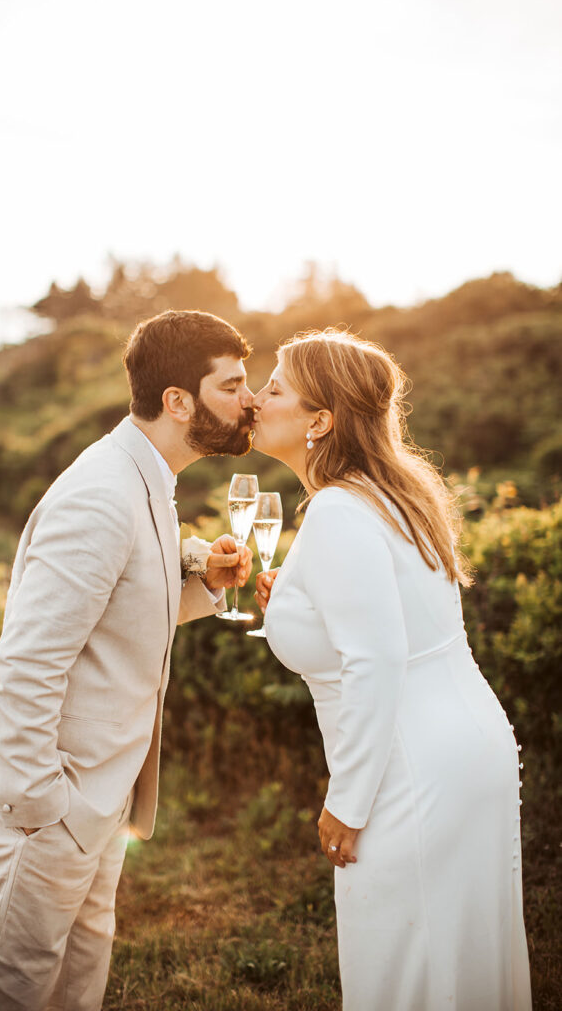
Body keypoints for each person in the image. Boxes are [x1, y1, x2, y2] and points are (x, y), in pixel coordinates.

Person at [0, 309, 255, 1011]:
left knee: (71, 993)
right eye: (233, 385)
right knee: (8, 992)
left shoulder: (147, 478)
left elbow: (117, 616)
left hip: (97, 797)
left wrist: (207, 583)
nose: (250, 400)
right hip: (50, 798)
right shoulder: (101, 496)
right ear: (179, 401)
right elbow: (27, 663)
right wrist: (40, 805)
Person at [252, 327, 532, 1011]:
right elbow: (391, 618)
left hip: (409, 768)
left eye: (274, 387)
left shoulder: (339, 511)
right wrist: (293, 595)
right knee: (462, 959)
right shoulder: (388, 494)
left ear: (318, 420)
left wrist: (347, 801)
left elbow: (374, 661)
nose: (256, 398)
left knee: (402, 969)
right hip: (469, 746)